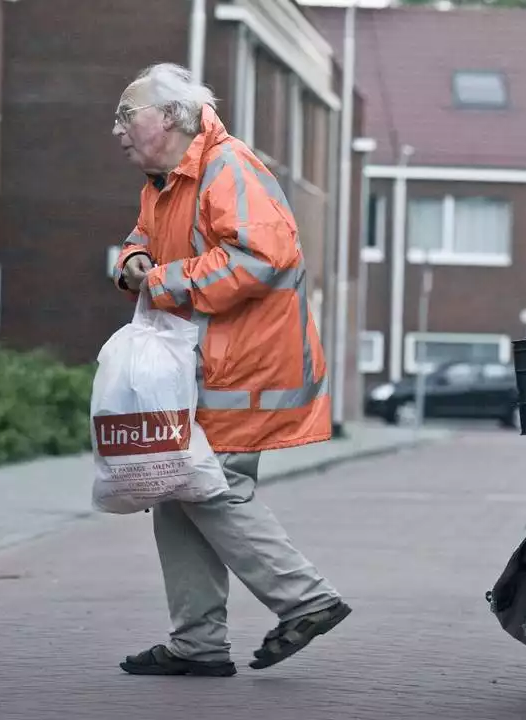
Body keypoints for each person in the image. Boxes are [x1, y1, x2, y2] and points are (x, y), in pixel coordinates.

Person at [109, 62, 350, 677]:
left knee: (211, 486)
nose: (116, 129)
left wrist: (159, 280)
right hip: (202, 365)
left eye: (125, 114)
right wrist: (133, 261)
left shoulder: (228, 167)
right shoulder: (165, 180)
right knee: (176, 485)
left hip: (239, 368)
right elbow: (143, 238)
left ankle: (305, 599)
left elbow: (260, 258)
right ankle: (197, 642)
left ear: (167, 118)